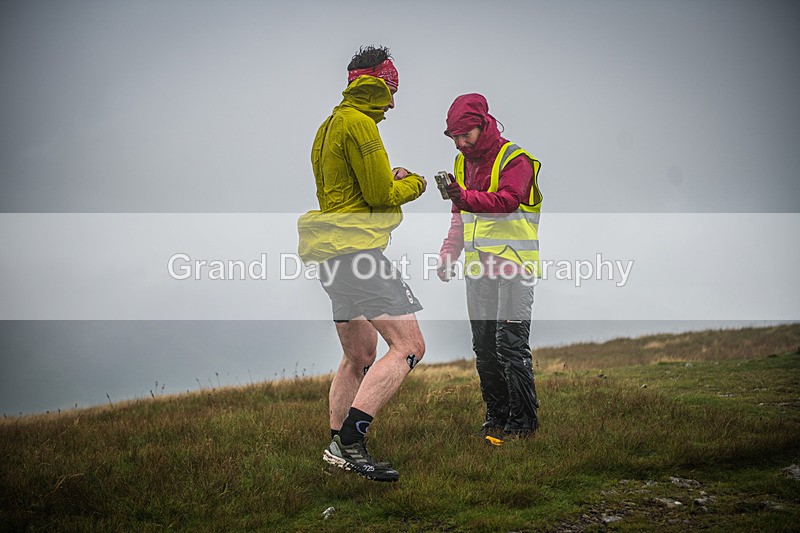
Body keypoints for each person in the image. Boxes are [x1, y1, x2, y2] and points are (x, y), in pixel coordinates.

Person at [297, 46, 427, 481]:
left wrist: (385, 183)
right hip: (359, 255)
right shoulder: (361, 124)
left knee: (359, 355)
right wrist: (413, 184)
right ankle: (350, 443)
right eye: (391, 90)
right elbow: (379, 197)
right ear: (375, 86)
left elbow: (349, 191)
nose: (393, 102)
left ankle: (336, 447)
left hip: (330, 255)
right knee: (409, 348)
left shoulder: (329, 125)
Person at [437, 93, 542, 443]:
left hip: (514, 264)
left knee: (509, 344)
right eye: (454, 136)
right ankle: (496, 417)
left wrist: (463, 197)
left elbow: (508, 202)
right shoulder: (460, 162)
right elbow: (460, 215)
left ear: (484, 125)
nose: (460, 142)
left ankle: (524, 423)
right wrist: (449, 252)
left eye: (466, 134)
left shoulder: (516, 159)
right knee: (484, 347)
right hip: (477, 268)